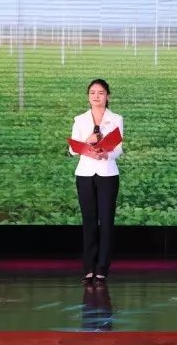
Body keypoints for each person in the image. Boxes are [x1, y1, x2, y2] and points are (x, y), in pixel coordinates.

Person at [69, 79, 123, 285]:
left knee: (106, 221)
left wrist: (106, 154)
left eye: (100, 93)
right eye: (92, 93)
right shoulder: (80, 119)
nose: (96, 96)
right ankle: (89, 268)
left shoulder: (116, 118)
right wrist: (87, 142)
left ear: (107, 96)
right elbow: (73, 149)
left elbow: (118, 148)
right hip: (85, 174)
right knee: (89, 221)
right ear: (88, 96)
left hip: (107, 173)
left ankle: (102, 269)